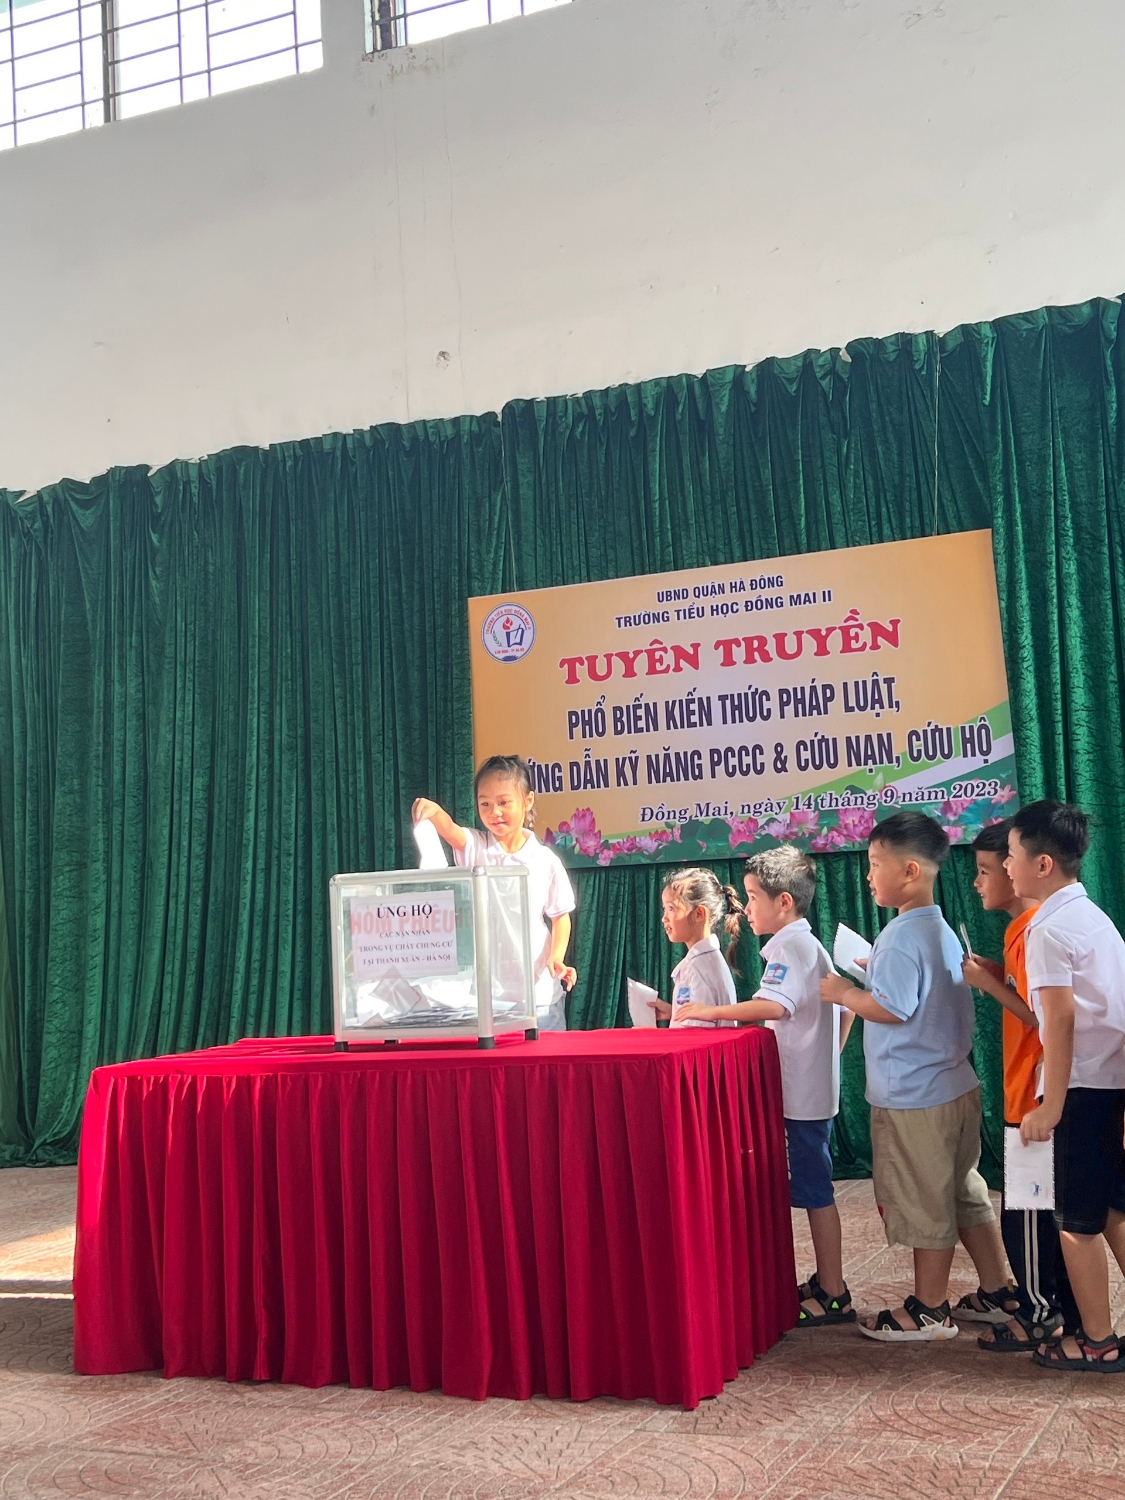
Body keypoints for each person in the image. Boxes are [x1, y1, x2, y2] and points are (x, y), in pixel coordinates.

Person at [820, 810, 1010, 1342]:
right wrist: (874, 972)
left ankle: (928, 1309)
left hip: (916, 1096)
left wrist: (844, 992)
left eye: (875, 863)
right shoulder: (937, 928)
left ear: (910, 871)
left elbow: (893, 1008)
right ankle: (997, 1290)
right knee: (962, 1192)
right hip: (953, 1087)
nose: (868, 875)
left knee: (927, 1202)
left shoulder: (903, 935)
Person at [676, 846, 856, 1326]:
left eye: (754, 897)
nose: (747, 907)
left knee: (816, 1193)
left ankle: (834, 1292)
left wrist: (712, 1012)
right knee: (814, 1188)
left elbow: (774, 1007)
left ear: (784, 902)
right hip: (808, 1091)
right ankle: (827, 1282)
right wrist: (827, 1057)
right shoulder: (803, 946)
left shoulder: (792, 949)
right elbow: (846, 1011)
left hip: (801, 1100)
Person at [1008, 800, 1125, 1373]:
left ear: (1043, 864)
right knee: (1113, 1209)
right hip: (1111, 1079)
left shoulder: (1048, 928)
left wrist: (1051, 1104)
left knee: (1076, 1225)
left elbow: (1058, 1017)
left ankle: (1097, 1341)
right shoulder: (1092, 915)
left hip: (1081, 1087)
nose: (1008, 867)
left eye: (1012, 856)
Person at [961, 819, 1077, 1351]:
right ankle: (1052, 1307)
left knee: (1027, 1215)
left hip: (1032, 1097)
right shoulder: (1021, 931)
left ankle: (1038, 1313)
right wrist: (996, 976)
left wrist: (988, 985)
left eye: (992, 867)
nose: (982, 880)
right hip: (1025, 1091)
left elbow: (1041, 1017)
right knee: (1035, 1212)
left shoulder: (1035, 929)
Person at [412, 755, 577, 1031]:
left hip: (538, 995)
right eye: (485, 804)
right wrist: (434, 811)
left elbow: (561, 916)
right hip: (490, 996)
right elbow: (450, 830)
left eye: (504, 802)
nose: (494, 812)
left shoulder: (544, 860)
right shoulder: (477, 847)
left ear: (527, 801)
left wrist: (556, 957)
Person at [647, 867, 738, 1027]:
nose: (664, 918)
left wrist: (653, 1035)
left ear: (699, 914)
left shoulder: (699, 968)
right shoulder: (704, 961)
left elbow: (696, 1036)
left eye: (671, 908)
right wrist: (674, 1012)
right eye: (664, 909)